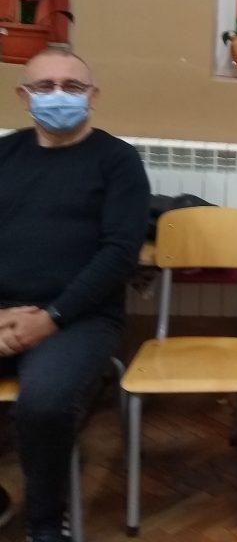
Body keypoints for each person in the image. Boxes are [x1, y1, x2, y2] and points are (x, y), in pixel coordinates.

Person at [0, 49, 150, 542]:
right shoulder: (5, 155)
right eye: (45, 87)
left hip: (80, 318)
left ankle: (45, 522)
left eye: (73, 86)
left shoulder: (117, 161)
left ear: (93, 96)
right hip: (3, 311)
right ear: (24, 96)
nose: (59, 96)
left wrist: (52, 317)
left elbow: (119, 254)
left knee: (44, 403)